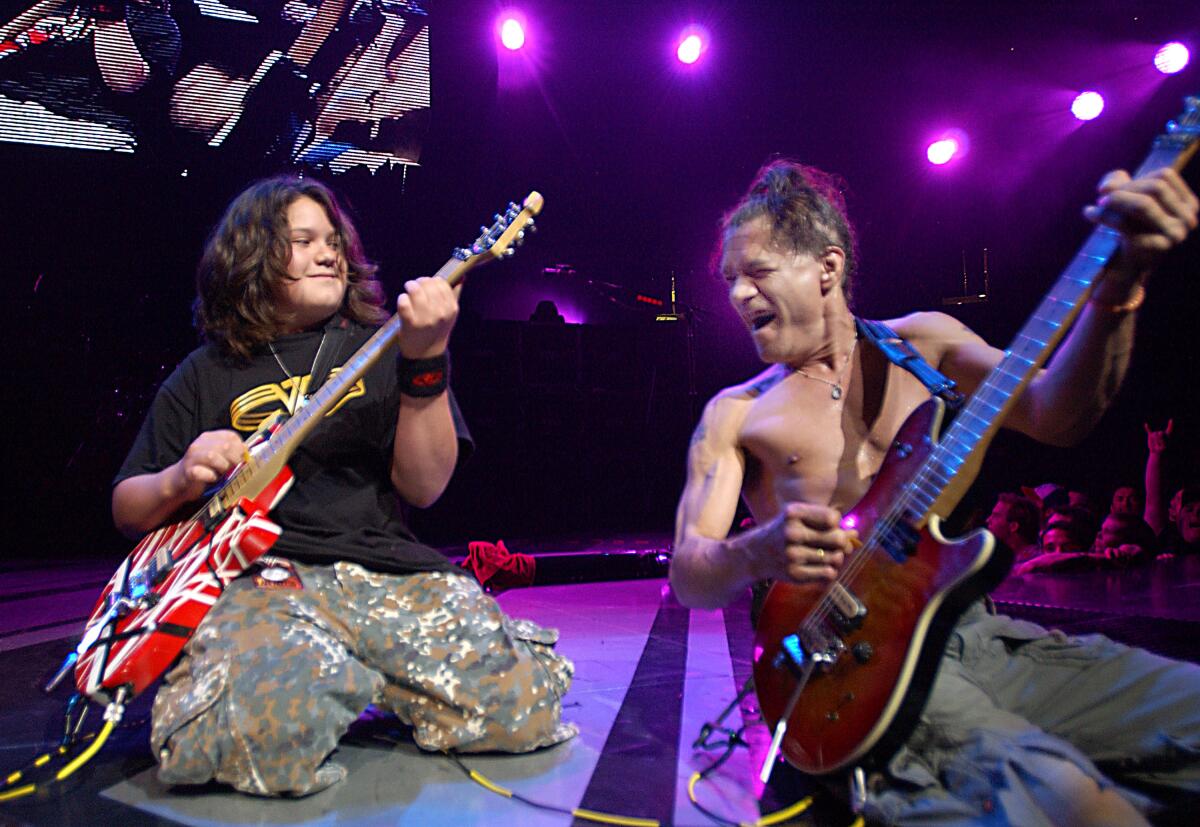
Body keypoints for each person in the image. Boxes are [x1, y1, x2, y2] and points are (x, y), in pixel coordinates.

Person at [668, 158, 1200, 822]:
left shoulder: (929, 343)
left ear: (826, 268)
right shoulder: (737, 413)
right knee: (1072, 804)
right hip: (856, 673)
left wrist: (1119, 288)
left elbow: (1060, 414)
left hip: (981, 637)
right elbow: (691, 571)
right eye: (729, 280)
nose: (738, 295)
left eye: (757, 273)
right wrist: (757, 552)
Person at [112, 176, 576, 797]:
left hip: (382, 571)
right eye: (302, 241)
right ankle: (332, 672)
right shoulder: (206, 372)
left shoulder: (384, 347)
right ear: (249, 258)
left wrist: (428, 357)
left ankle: (351, 671)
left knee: (524, 712)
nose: (328, 252)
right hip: (267, 582)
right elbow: (126, 508)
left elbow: (425, 487)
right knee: (240, 744)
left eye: (333, 241)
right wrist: (179, 476)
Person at [984, 492, 1041, 565]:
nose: (988, 520)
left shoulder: (1033, 563)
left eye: (996, 516)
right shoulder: (1006, 559)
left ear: (1013, 526)